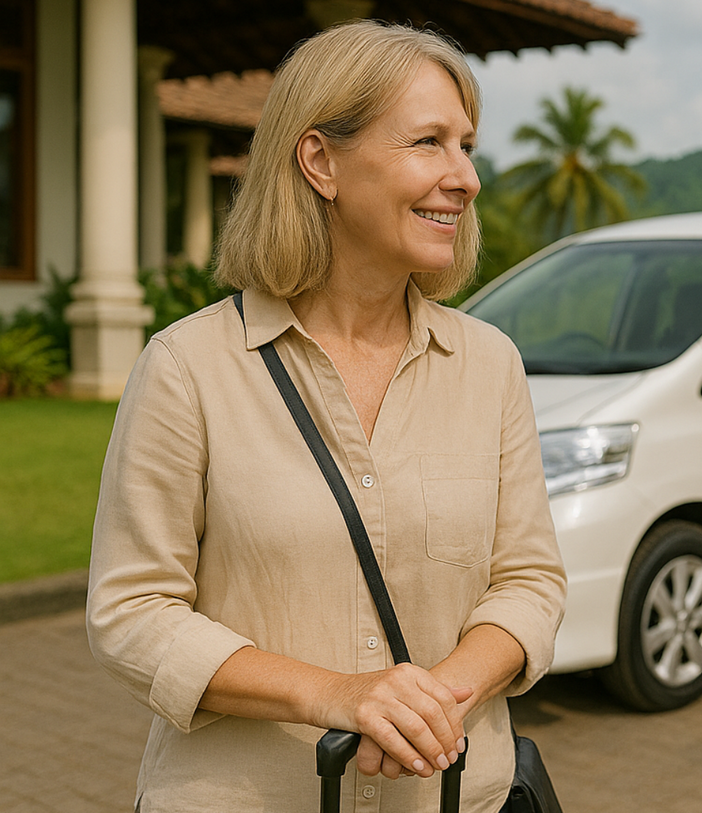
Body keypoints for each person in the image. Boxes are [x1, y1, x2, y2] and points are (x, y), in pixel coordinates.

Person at [85, 21, 566, 813]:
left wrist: (428, 702)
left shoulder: (491, 365)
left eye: (466, 146)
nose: (466, 177)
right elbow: (133, 612)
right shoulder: (188, 366)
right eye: (428, 143)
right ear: (320, 162)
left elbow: (529, 580)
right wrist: (335, 695)